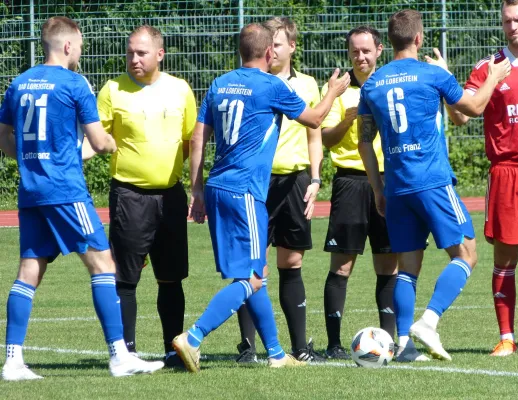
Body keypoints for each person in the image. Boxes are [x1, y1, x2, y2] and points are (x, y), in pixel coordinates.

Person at [172, 22, 350, 373]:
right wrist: (333, 91)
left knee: (256, 273)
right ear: (269, 53)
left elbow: (197, 138)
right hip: (245, 192)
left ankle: (275, 353)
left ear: (241, 50)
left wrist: (196, 189)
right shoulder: (272, 85)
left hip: (218, 187)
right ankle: (192, 337)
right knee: (251, 277)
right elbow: (314, 119)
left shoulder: (220, 83)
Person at [0, 16, 164, 381]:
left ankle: (12, 361)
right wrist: (112, 143)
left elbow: (4, 138)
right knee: (104, 264)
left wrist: (34, 160)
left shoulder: (19, 83)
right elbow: (100, 139)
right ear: (69, 46)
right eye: (80, 47)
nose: (80, 53)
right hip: (66, 191)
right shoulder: (74, 83)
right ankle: (120, 356)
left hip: (31, 192)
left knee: (28, 270)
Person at [357, 9, 510, 361]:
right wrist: (493, 75)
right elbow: (471, 108)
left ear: (389, 41)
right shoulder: (430, 74)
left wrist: (377, 187)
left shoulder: (372, 84)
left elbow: (365, 140)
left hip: (395, 187)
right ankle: (429, 320)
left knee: (407, 267)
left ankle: (404, 344)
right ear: (419, 39)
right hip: (432, 182)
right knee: (467, 254)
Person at [94, 25, 196, 367]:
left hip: (170, 197)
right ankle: (126, 353)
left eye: (141, 53)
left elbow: (189, 141)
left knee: (171, 276)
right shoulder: (112, 90)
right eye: (130, 52)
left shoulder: (180, 90)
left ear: (160, 54)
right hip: (128, 196)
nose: (134, 59)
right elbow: (97, 139)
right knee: (125, 276)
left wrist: (186, 181)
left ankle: (173, 350)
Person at [320, 25, 416, 361]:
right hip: (350, 182)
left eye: (366, 51)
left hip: (389, 182)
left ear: (379, 50)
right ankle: (333, 344)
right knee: (342, 266)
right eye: (354, 52)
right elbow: (326, 138)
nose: (360, 57)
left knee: (388, 266)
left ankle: (387, 343)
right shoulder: (339, 88)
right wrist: (348, 120)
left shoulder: (389, 84)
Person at [234, 17, 325, 363]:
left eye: (280, 44)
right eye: (270, 44)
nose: (273, 50)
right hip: (257, 183)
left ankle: (300, 347)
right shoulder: (251, 84)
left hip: (294, 182)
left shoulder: (306, 84)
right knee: (253, 266)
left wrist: (315, 179)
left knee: (292, 261)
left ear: (292, 48)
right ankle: (249, 348)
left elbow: (313, 134)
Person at [445, 0, 518, 357]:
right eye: (507, 20)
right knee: (505, 258)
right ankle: (507, 337)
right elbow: (461, 117)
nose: (513, 27)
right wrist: (446, 85)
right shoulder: (489, 67)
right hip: (508, 172)